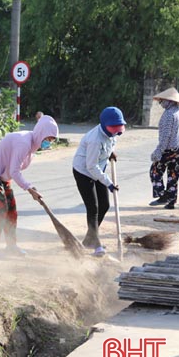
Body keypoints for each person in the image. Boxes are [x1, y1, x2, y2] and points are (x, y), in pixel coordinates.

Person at [0, 115, 59, 256]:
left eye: (51, 141)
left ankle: (11, 246)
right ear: (41, 133)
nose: (48, 143)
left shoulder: (32, 147)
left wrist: (30, 187)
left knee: (11, 211)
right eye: (47, 139)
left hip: (3, 177)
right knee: (0, 210)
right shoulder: (24, 143)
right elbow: (14, 171)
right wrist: (29, 189)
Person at [72, 106, 125, 257]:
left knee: (105, 205)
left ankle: (89, 239)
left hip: (98, 170)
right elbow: (91, 166)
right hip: (83, 172)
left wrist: (110, 153)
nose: (116, 131)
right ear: (104, 125)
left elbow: (110, 143)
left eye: (118, 128)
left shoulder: (113, 133)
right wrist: (108, 182)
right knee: (93, 208)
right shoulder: (95, 140)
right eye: (113, 128)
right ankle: (96, 244)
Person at [149, 87, 179, 210]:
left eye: (162, 101)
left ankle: (162, 195)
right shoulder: (178, 112)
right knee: (173, 175)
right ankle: (171, 202)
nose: (161, 103)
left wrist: (158, 151)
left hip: (169, 149)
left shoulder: (168, 114)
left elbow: (166, 136)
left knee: (154, 170)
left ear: (169, 101)